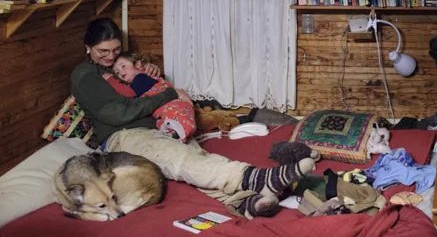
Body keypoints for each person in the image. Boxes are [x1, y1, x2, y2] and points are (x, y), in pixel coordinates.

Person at [71, 18, 314, 218]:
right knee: (181, 159)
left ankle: (245, 202)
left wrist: (149, 74)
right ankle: (254, 177)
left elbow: (141, 83)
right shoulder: (85, 75)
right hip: (123, 136)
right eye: (103, 51)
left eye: (115, 50)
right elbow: (119, 114)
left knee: (195, 159)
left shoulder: (118, 66)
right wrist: (166, 94)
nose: (111, 56)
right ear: (87, 47)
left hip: (157, 127)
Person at [112, 52, 197, 142]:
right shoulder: (140, 79)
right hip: (163, 110)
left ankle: (179, 131)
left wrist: (111, 81)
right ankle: (173, 131)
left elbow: (128, 93)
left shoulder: (140, 78)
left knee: (180, 117)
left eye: (123, 66)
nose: (121, 73)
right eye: (117, 72)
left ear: (138, 64)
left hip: (172, 104)